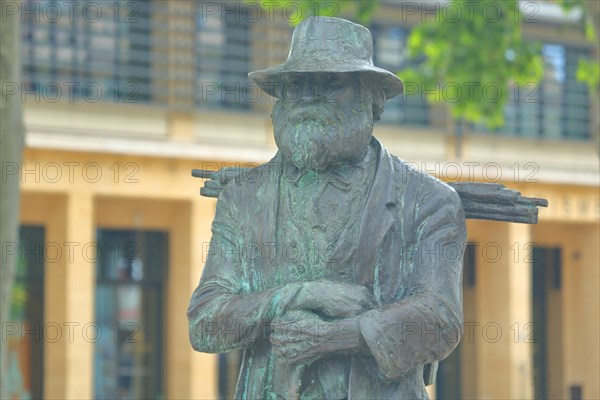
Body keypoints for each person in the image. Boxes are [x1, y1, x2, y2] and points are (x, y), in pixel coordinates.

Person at [188, 16, 466, 400]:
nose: (308, 99)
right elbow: (205, 322)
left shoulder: (427, 200)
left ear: (374, 99)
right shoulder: (244, 197)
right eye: (296, 87)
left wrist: (336, 337)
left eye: (330, 84)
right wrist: (298, 295)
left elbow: (439, 319)